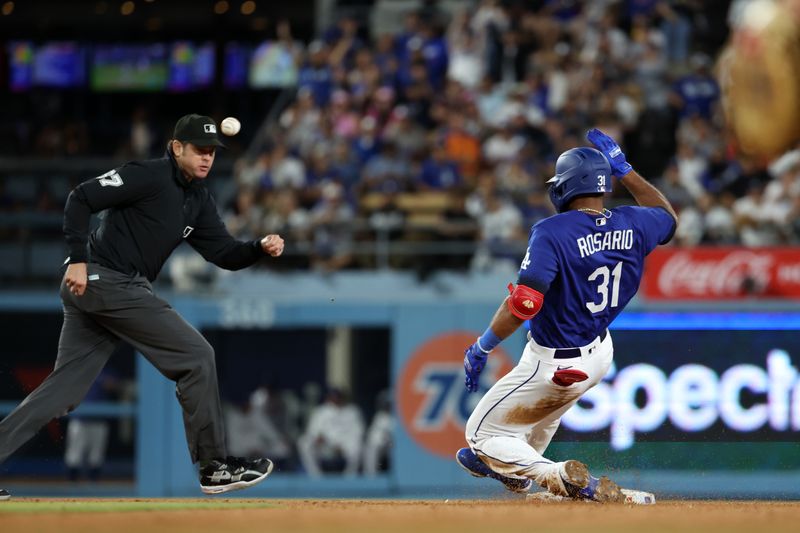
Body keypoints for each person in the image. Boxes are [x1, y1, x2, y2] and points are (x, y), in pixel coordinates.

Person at [0, 114, 285, 500]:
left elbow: (223, 253)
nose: (206, 158)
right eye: (199, 150)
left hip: (111, 288)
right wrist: (77, 259)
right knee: (197, 355)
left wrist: (257, 249)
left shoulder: (198, 200)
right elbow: (80, 198)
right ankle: (213, 467)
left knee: (61, 392)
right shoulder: (147, 175)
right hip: (105, 279)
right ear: (176, 147)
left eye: (212, 152)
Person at [456, 129, 677, 502]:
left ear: (564, 187)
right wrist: (626, 170)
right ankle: (534, 480)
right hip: (598, 353)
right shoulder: (633, 222)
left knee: (479, 437)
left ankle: (557, 475)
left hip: (554, 363)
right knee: (540, 419)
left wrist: (483, 346)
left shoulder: (552, 231)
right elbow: (668, 217)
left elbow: (525, 304)